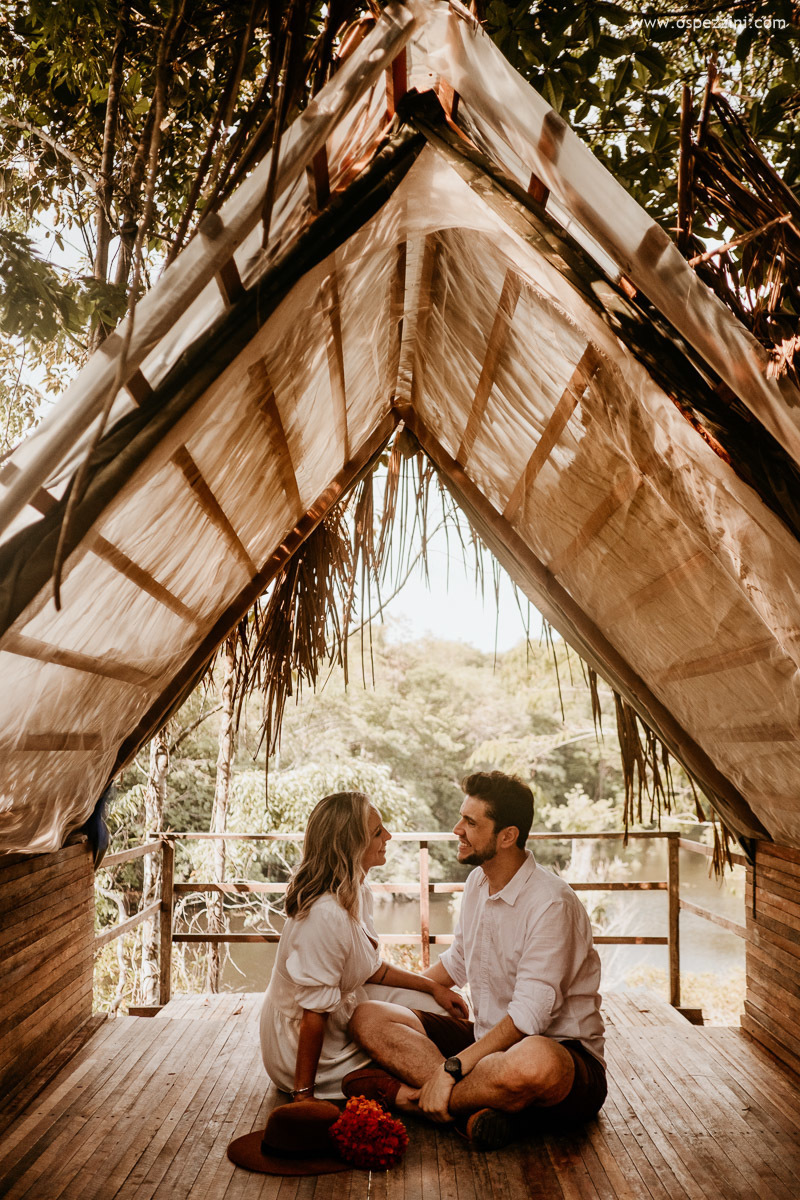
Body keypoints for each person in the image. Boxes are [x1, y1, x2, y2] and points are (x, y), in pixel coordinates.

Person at [345, 771, 606, 1150]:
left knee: (534, 1062)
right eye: (461, 818)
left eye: (470, 822)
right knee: (368, 1015)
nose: (457, 829)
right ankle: (478, 1105)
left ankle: (424, 1101)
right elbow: (458, 963)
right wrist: (409, 992)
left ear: (507, 836)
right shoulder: (478, 883)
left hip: (561, 1057)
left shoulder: (552, 903)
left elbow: (529, 1019)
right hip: (485, 1045)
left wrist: (451, 1070)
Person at [259, 790, 469, 1101]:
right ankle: (446, 1093)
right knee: (393, 1046)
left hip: (346, 1004)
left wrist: (434, 987)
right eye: (376, 832)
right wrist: (303, 1096)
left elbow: (374, 970)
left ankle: (441, 1077)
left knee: (440, 1010)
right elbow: (314, 1013)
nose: (389, 835)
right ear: (351, 845)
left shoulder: (357, 887)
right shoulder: (324, 914)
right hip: (304, 1044)